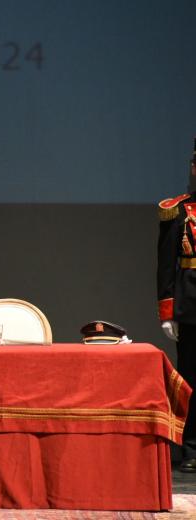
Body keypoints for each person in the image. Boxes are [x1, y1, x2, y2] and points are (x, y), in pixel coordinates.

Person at [157, 137, 196, 472]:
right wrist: (168, 313)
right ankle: (191, 447)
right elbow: (167, 264)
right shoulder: (179, 210)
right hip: (192, 305)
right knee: (191, 377)